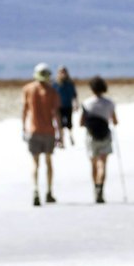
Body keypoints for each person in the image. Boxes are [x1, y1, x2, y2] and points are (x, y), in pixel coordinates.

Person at [22, 64, 59, 206]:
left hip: (33, 130)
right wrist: (60, 133)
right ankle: (49, 191)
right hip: (49, 131)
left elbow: (25, 111)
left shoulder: (28, 89)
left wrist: (23, 129)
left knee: (35, 163)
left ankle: (35, 189)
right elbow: (55, 114)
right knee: (48, 161)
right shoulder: (52, 92)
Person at [78, 76, 116, 203]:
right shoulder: (109, 103)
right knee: (102, 164)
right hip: (105, 135)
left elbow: (81, 123)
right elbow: (115, 121)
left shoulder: (87, 103)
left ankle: (95, 187)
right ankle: (101, 188)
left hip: (91, 136)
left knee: (93, 164)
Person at [54, 66, 78, 147]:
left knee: (69, 124)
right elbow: (52, 95)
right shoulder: (55, 83)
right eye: (61, 72)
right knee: (59, 125)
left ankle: (71, 136)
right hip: (58, 107)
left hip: (68, 106)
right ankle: (62, 141)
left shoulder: (70, 83)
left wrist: (76, 104)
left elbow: (74, 94)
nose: (63, 73)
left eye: (64, 71)